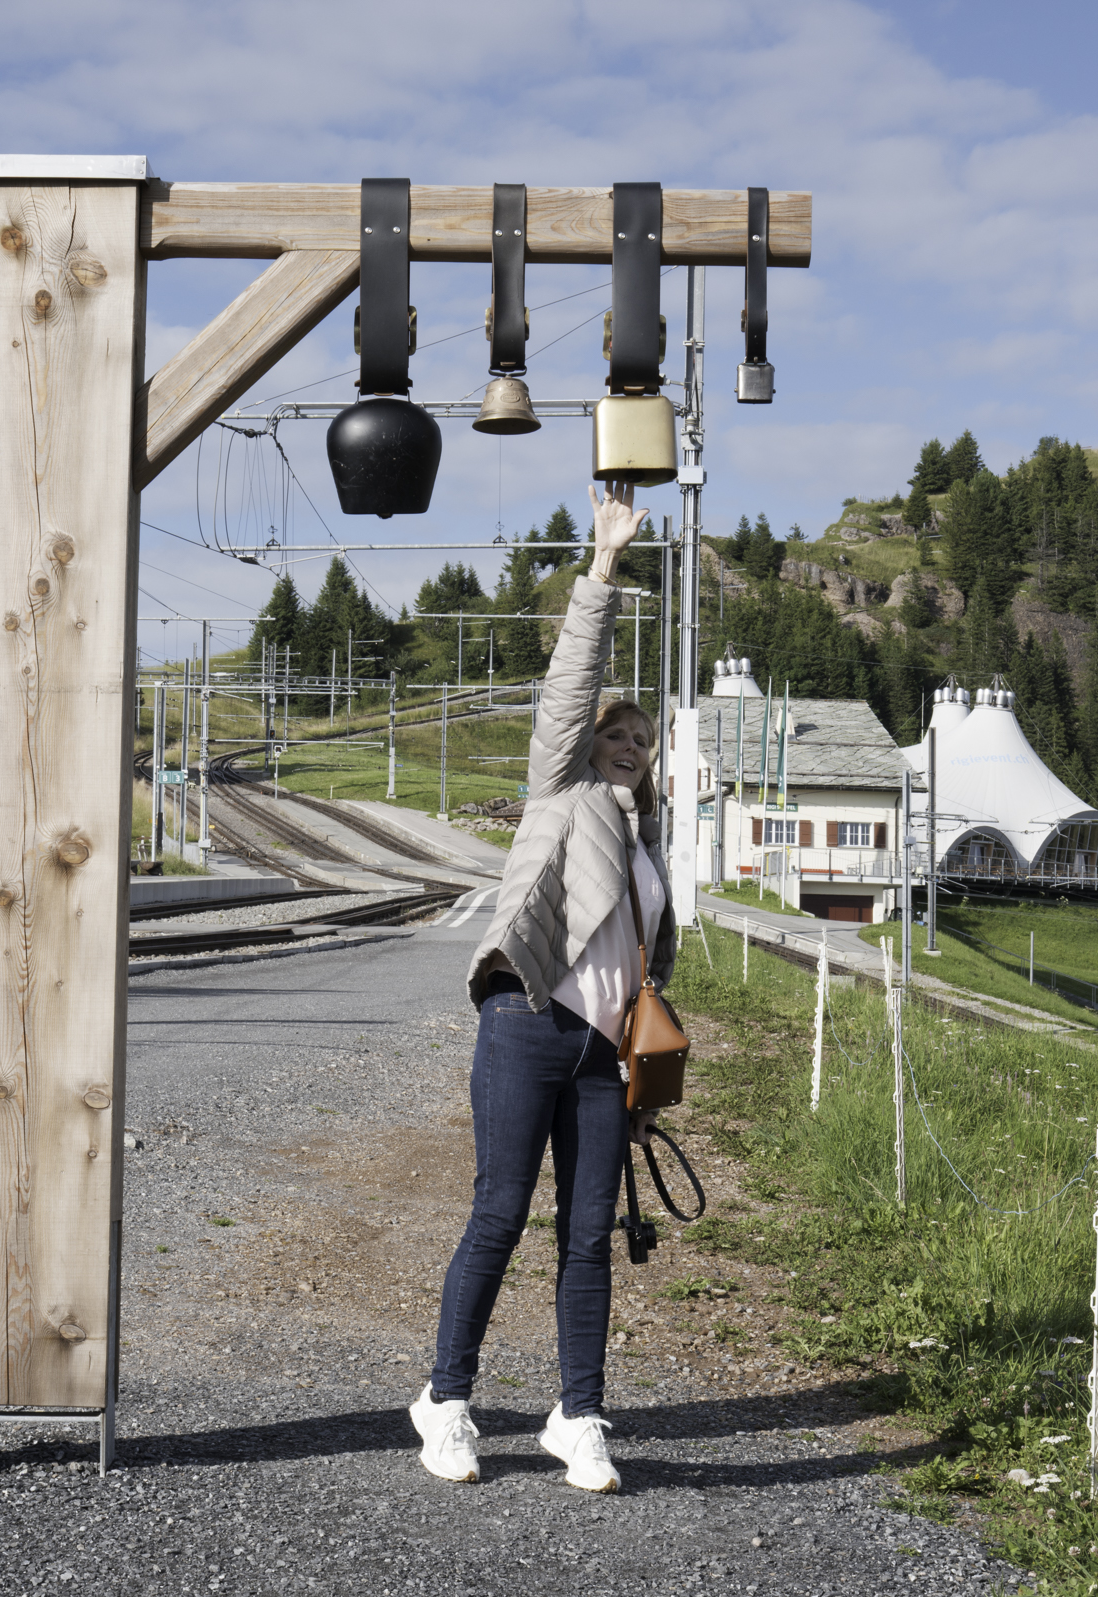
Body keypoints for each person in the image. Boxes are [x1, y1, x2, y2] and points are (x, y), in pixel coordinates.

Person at [409, 482, 677, 1494]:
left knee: (588, 1236)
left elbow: (651, 957)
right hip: (528, 1023)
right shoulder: (562, 793)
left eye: (641, 740)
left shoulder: (646, 843)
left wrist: (646, 1051)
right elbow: (573, 686)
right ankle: (445, 1400)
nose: (628, 743)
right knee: (499, 1215)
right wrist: (603, 566)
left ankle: (580, 1414)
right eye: (617, 731)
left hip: (605, 1058)